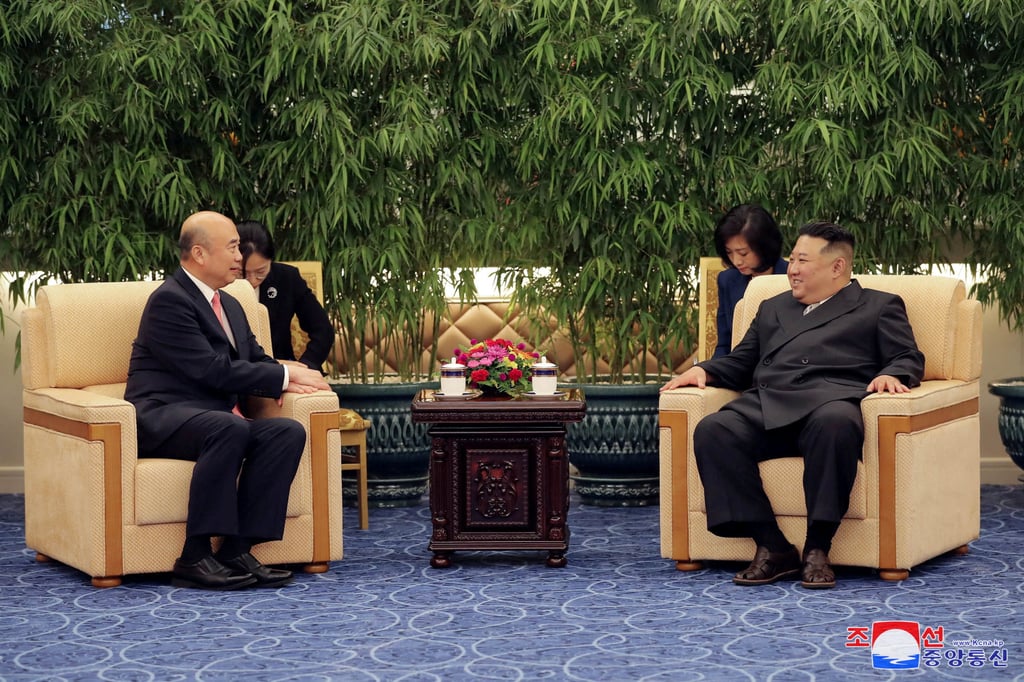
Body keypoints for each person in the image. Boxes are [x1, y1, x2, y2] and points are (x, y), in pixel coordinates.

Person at [661, 222, 924, 589]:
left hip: (829, 406)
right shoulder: (772, 308)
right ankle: (772, 545)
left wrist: (892, 374)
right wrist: (702, 370)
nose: (793, 268)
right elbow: (742, 363)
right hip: (769, 407)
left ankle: (818, 547)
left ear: (837, 267)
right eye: (794, 258)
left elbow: (907, 356)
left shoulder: (877, 306)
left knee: (836, 421)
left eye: (802, 260)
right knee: (715, 429)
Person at [125, 211, 331, 590]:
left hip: (216, 419)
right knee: (228, 426)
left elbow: (254, 359)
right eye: (233, 247)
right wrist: (287, 374)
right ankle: (194, 555)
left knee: (286, 432)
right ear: (200, 254)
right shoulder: (170, 301)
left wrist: (286, 382)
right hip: (164, 417)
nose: (241, 256)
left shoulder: (231, 303)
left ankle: (236, 548)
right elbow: (210, 370)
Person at [236, 220, 335, 372]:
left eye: (261, 272)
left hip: (283, 369)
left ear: (271, 260)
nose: (252, 280)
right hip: (236, 371)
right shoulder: (219, 282)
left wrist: (305, 366)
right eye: (243, 273)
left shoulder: (287, 277)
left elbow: (323, 330)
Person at [712, 204, 789, 357]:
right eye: (729, 252)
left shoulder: (793, 277)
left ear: (765, 246)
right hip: (738, 370)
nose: (736, 261)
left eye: (743, 253)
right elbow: (724, 344)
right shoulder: (727, 280)